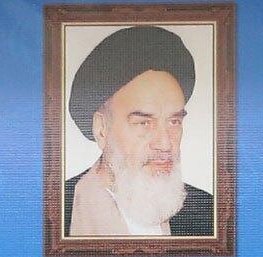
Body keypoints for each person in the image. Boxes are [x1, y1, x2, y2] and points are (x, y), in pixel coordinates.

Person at [63, 25, 215, 237]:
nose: (165, 144)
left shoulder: (207, 212)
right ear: (101, 129)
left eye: (174, 121)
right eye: (144, 123)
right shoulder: (56, 210)